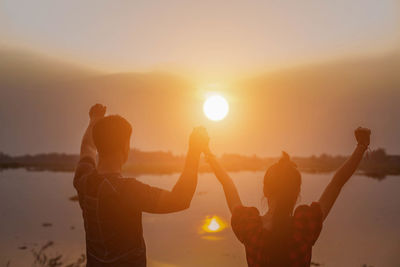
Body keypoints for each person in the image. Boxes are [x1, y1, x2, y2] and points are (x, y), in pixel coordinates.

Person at [204, 127, 371, 267]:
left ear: (265, 190)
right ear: (296, 193)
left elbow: (227, 184)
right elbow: (337, 183)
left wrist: (207, 152)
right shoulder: (305, 226)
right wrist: (361, 146)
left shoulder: (250, 228)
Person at [73, 104, 209, 267]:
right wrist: (194, 151)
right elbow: (180, 199)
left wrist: (94, 119)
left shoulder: (84, 179)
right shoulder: (127, 190)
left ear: (98, 145)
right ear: (125, 147)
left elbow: (87, 147)